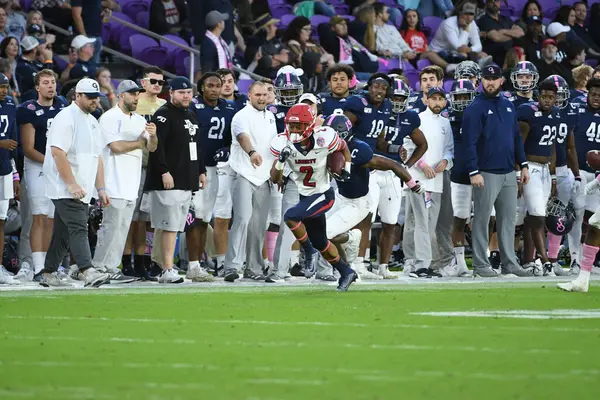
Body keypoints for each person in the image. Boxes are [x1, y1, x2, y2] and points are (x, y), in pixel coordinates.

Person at [270, 103, 358, 291]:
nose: (294, 130)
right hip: (305, 196)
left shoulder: (324, 138)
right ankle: (346, 272)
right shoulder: (282, 143)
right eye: (291, 126)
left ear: (309, 125)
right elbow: (274, 179)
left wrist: (347, 169)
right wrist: (280, 161)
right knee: (321, 241)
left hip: (323, 195)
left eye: (299, 126)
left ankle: (308, 251)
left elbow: (343, 147)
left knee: (290, 216)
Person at [460, 64, 531, 278]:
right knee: (482, 219)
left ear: (502, 81)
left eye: (495, 78)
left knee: (508, 219)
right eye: (486, 78)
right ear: (481, 80)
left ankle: (509, 263)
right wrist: (473, 171)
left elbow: (516, 138)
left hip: (509, 172)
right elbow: (468, 143)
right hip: (485, 172)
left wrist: (524, 164)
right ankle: (481, 265)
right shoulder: (475, 108)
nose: (490, 82)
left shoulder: (509, 106)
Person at [40, 78, 111, 288]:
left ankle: (49, 272)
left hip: (83, 186)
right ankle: (86, 270)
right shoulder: (66, 117)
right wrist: (70, 183)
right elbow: (57, 152)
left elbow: (96, 156)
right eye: (89, 97)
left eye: (96, 98)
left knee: (63, 231)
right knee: (79, 226)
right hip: (64, 186)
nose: (94, 101)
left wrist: (100, 188)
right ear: (77, 95)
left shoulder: (92, 121)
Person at [91, 80, 157, 284]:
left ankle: (111, 267)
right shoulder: (109, 118)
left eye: (138, 94)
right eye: (132, 94)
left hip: (131, 183)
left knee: (122, 228)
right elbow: (115, 147)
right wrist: (140, 142)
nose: (136, 98)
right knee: (111, 227)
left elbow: (152, 148)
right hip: (112, 181)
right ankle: (99, 266)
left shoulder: (139, 120)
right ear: (121, 96)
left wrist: (152, 136)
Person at [144, 77, 206, 284]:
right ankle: (167, 268)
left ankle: (161, 265)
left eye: (188, 92)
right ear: (171, 93)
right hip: (170, 178)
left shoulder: (190, 114)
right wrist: (163, 171)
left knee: (175, 225)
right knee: (169, 226)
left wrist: (201, 170)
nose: (186, 96)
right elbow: (156, 147)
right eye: (181, 92)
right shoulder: (163, 114)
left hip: (187, 177)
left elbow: (196, 144)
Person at [13, 69, 67, 282]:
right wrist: (53, 162)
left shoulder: (63, 106)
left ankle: (50, 266)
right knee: (39, 216)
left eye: (53, 82)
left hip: (57, 166)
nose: (50, 86)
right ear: (37, 87)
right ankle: (37, 267)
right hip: (37, 166)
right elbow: (28, 148)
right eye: (45, 82)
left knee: (53, 218)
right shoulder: (28, 109)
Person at [223, 81, 277, 282]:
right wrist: (252, 153)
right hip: (244, 173)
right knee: (242, 219)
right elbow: (242, 137)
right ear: (249, 95)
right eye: (258, 95)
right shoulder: (241, 116)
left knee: (258, 225)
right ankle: (232, 266)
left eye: (265, 94)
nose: (262, 98)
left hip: (264, 177)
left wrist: (275, 171)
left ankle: (254, 267)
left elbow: (273, 146)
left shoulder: (270, 116)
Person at [186, 72, 236, 282]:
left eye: (218, 85)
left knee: (205, 217)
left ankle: (201, 263)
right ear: (202, 88)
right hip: (197, 168)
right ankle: (192, 264)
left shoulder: (229, 108)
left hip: (217, 169)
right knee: (195, 217)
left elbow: (233, 136)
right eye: (210, 86)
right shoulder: (193, 108)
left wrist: (227, 148)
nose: (215, 89)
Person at [402, 87, 453, 277]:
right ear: (426, 100)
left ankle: (425, 263)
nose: (437, 102)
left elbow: (449, 149)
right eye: (433, 99)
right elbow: (408, 147)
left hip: (437, 180)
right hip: (418, 179)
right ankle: (420, 264)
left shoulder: (446, 124)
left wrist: (446, 161)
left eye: (440, 99)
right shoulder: (418, 119)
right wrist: (423, 164)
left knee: (430, 224)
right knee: (420, 222)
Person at [515, 80, 563, 276]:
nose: (547, 100)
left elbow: (551, 148)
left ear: (555, 98)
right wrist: (519, 171)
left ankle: (528, 261)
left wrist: (552, 176)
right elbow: (518, 145)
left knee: (533, 218)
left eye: (551, 97)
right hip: (530, 170)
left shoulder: (555, 115)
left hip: (544, 170)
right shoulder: (528, 113)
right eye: (544, 96)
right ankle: (545, 261)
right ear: (538, 96)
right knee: (537, 217)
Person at [558, 78, 600, 292]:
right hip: (583, 172)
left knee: (593, 223)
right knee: (588, 222)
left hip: (596, 174)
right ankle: (580, 269)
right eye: (593, 92)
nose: (596, 96)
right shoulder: (578, 112)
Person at [123, 67, 166, 279]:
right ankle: (126, 260)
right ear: (143, 83)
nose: (158, 84)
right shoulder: (133, 104)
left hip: (155, 167)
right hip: (135, 165)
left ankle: (146, 261)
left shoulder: (164, 106)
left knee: (149, 218)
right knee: (132, 216)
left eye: (161, 82)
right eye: (153, 80)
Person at [543, 74, 581, 276]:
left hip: (562, 169)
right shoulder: (537, 112)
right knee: (536, 214)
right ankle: (534, 259)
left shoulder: (569, 114)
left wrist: (576, 175)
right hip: (542, 168)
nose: (555, 99)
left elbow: (570, 147)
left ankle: (553, 258)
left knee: (558, 215)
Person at [429, 2, 491, 70]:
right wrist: (465, 29)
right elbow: (458, 47)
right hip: (438, 53)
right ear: (460, 14)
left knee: (482, 54)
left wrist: (470, 49)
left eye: (471, 14)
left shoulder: (472, 23)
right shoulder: (448, 23)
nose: (468, 17)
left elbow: (478, 45)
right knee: (463, 54)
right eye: (466, 13)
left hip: (455, 53)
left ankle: (478, 66)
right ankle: (473, 67)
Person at [319, 15, 378, 80]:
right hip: (350, 74)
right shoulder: (332, 41)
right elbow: (322, 27)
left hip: (365, 70)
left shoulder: (351, 40)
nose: (344, 26)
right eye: (341, 24)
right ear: (332, 28)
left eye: (345, 24)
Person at [0, 73, 18, 285]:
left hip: (4, 169)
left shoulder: (10, 105)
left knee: (2, 221)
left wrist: (15, 175)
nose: (3, 90)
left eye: (5, 87)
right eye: (0, 87)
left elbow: (13, 143)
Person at [399, 8, 457, 72]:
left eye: (414, 16)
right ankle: (448, 66)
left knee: (437, 55)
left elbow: (426, 48)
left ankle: (452, 73)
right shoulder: (404, 33)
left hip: (423, 55)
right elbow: (405, 49)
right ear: (405, 19)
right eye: (409, 17)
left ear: (418, 19)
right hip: (413, 57)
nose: (412, 19)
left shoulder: (421, 33)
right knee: (430, 54)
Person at [477, 0, 525, 65]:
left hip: (509, 57)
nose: (494, 4)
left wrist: (503, 31)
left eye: (497, 1)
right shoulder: (484, 20)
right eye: (492, 1)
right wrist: (513, 34)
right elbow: (496, 37)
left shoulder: (505, 18)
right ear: (487, 3)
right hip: (494, 59)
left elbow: (521, 32)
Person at [71, 0, 113, 66]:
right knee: (82, 65)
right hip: (85, 35)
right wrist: (84, 37)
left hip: (97, 35)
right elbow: (76, 15)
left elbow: (102, 19)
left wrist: (106, 16)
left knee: (94, 67)